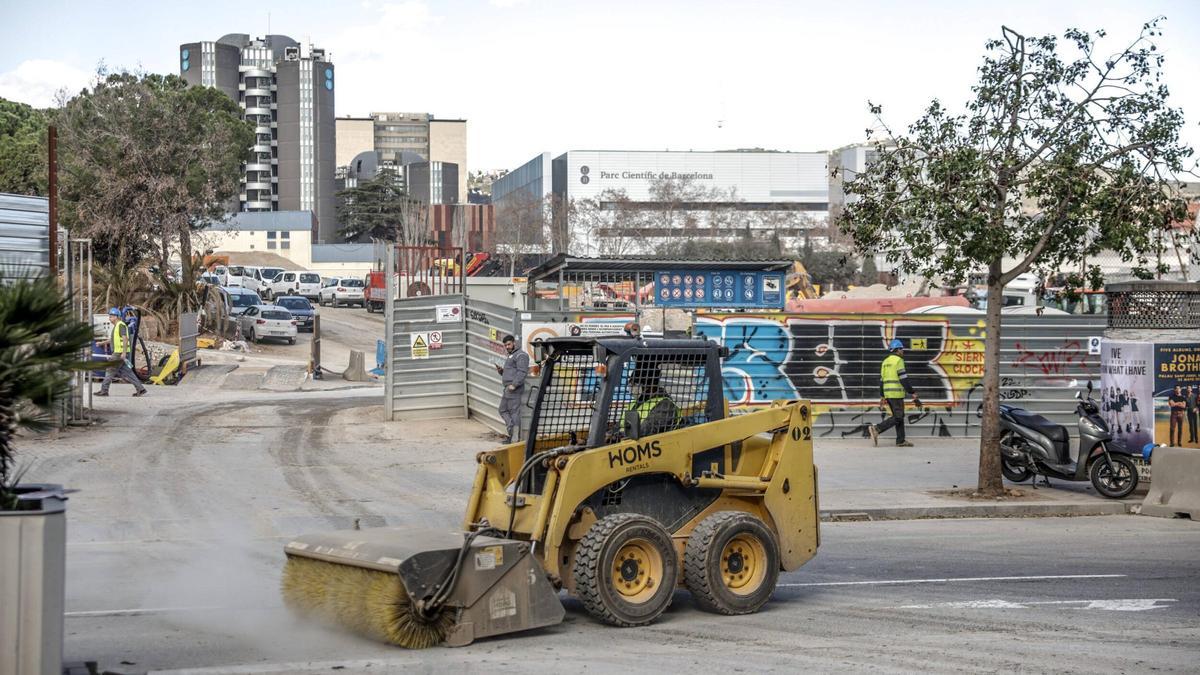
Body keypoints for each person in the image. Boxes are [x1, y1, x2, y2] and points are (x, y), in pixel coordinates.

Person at [869, 339, 921, 448]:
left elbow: (882, 380)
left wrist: (882, 395)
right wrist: (912, 392)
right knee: (898, 416)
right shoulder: (898, 361)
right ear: (897, 350)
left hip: (888, 394)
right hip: (896, 394)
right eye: (902, 349)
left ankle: (900, 440)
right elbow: (903, 379)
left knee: (899, 417)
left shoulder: (885, 361)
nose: (903, 351)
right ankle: (877, 428)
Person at [96, 307, 147, 397]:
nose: (109, 318)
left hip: (119, 354)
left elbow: (125, 338)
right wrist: (101, 343)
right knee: (128, 372)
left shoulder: (121, 325)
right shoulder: (117, 326)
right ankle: (141, 389)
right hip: (120, 354)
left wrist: (123, 353)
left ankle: (104, 390)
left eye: (111, 316)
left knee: (109, 370)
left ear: (117, 317)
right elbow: (112, 340)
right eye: (110, 316)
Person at [623, 364, 677, 439]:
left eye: (635, 384)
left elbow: (646, 429)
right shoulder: (634, 404)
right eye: (630, 384)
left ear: (650, 386)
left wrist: (619, 435)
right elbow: (620, 426)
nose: (631, 388)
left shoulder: (665, 406)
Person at [494, 335, 529, 442]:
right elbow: (512, 372)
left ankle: (514, 439)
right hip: (507, 389)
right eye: (505, 345)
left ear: (514, 343)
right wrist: (502, 371)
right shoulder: (512, 355)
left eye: (509, 344)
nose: (507, 347)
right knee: (502, 410)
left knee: (514, 413)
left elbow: (522, 372)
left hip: (514, 389)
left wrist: (514, 384)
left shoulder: (521, 355)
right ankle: (512, 431)